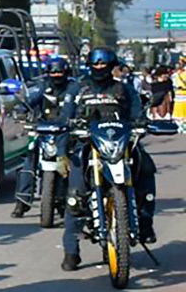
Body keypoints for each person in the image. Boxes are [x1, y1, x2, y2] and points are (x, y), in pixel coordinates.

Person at [60, 46, 155, 268]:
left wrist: (142, 123)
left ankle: (145, 224)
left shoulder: (124, 89)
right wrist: (64, 131)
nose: (100, 68)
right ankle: (71, 250)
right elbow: (65, 116)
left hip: (122, 145)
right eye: (96, 64)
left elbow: (137, 112)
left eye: (104, 64)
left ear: (112, 66)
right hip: (87, 146)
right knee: (75, 194)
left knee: (147, 169)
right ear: (89, 65)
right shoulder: (78, 89)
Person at [11, 56, 74, 218]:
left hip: (68, 132)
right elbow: (29, 101)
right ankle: (23, 200)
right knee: (29, 159)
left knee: (78, 160)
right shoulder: (42, 86)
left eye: (60, 72)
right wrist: (21, 110)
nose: (56, 75)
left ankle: (75, 200)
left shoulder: (74, 87)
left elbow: (82, 104)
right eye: (53, 72)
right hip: (44, 130)